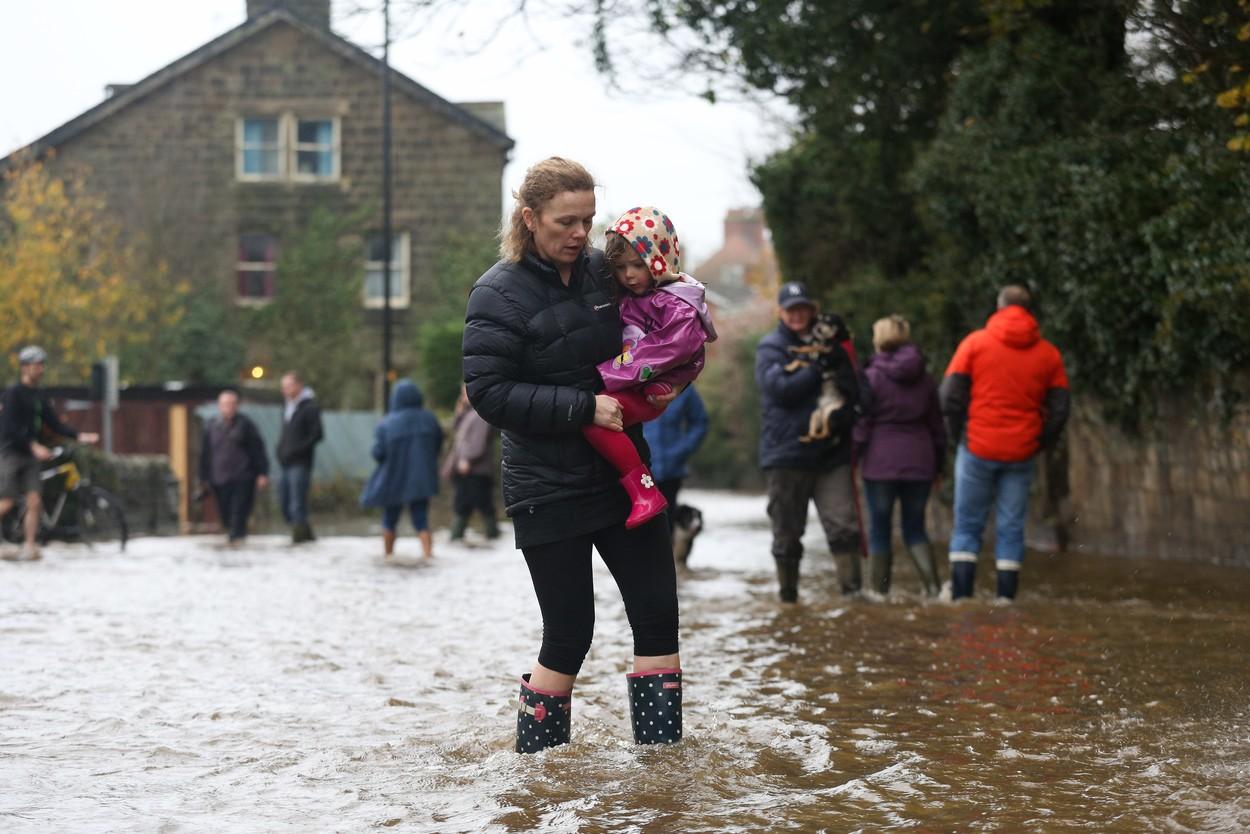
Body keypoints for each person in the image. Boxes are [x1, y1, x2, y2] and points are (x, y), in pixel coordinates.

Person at [462, 157, 684, 753]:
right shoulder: (496, 293)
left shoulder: (602, 273)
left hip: (623, 476)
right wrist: (582, 407)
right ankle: (539, 778)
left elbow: (662, 318)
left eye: (588, 220)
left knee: (658, 613)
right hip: (546, 487)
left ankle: (664, 778)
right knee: (570, 634)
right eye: (566, 221)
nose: (580, 234)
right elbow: (488, 393)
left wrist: (679, 370)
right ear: (529, 218)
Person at [584, 206, 717, 529]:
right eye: (620, 267)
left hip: (652, 386)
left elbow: (667, 349)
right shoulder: (636, 295)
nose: (629, 275)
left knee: (594, 420)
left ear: (661, 259)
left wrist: (608, 373)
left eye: (637, 265)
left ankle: (644, 492)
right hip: (640, 382)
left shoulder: (676, 302)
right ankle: (644, 492)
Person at [940, 285, 1069, 601]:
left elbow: (949, 396)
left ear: (999, 307)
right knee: (1011, 528)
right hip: (1021, 451)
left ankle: (961, 598)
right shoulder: (1048, 354)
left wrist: (960, 434)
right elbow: (1061, 407)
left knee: (968, 525)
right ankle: (1006, 600)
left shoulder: (974, 344)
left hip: (978, 446)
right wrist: (1039, 441)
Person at [755, 281, 862, 603]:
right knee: (787, 534)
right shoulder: (770, 347)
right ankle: (789, 601)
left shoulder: (836, 346)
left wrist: (847, 412)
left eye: (803, 308)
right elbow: (780, 390)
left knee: (844, 527)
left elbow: (855, 388)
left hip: (831, 454)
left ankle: (854, 600)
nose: (798, 315)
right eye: (791, 309)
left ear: (812, 311)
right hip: (787, 455)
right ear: (781, 313)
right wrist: (818, 368)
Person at [852, 315, 945, 596]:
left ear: (879, 338)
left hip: (880, 464)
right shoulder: (925, 378)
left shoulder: (871, 376)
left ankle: (880, 595)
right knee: (915, 529)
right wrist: (938, 467)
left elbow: (862, 423)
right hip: (920, 461)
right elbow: (937, 426)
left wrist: (853, 457)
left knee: (880, 530)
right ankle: (933, 591)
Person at [0, 346, 100, 561]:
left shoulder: (39, 396)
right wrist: (32, 445)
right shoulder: (13, 393)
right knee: (6, 501)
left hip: (30, 456)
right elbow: (8, 428)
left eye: (42, 365)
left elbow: (54, 423)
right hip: (11, 453)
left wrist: (79, 435)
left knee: (34, 500)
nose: (41, 369)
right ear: (25, 368)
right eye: (37, 365)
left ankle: (29, 546)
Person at [360, 379, 443, 560]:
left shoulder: (386, 423)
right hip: (421, 479)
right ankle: (428, 556)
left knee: (389, 520)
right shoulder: (429, 419)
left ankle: (388, 556)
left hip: (393, 479)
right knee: (421, 520)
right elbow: (437, 446)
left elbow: (378, 453)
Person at [198, 389, 269, 546]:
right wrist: (203, 477)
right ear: (219, 406)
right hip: (219, 478)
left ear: (237, 406)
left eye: (231, 404)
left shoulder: (246, 425)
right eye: (225, 404)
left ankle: (237, 541)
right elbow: (205, 453)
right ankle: (235, 538)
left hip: (243, 477)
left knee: (239, 513)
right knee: (226, 515)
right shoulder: (210, 426)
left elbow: (258, 450)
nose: (228, 408)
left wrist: (262, 473)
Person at [441, 384, 500, 542]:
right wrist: (459, 414)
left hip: (475, 470)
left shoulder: (480, 414)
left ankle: (492, 536)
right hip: (467, 469)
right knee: (463, 505)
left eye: (465, 394)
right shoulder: (470, 413)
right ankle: (457, 537)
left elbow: (478, 442)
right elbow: (459, 432)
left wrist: (467, 459)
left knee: (482, 504)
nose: (463, 397)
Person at [642, 383, 709, 518]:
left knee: (667, 523)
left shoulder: (682, 385)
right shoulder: (634, 381)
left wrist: (682, 450)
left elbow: (700, 422)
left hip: (670, 472)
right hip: (637, 471)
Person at [276, 371, 323, 545]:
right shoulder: (287, 407)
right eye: (283, 387)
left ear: (299, 385)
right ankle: (307, 535)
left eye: (288, 386)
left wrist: (298, 449)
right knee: (284, 499)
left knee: (297, 503)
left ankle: (299, 540)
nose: (285, 390)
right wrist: (280, 450)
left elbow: (317, 434)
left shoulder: (310, 407)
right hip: (285, 462)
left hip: (301, 462)